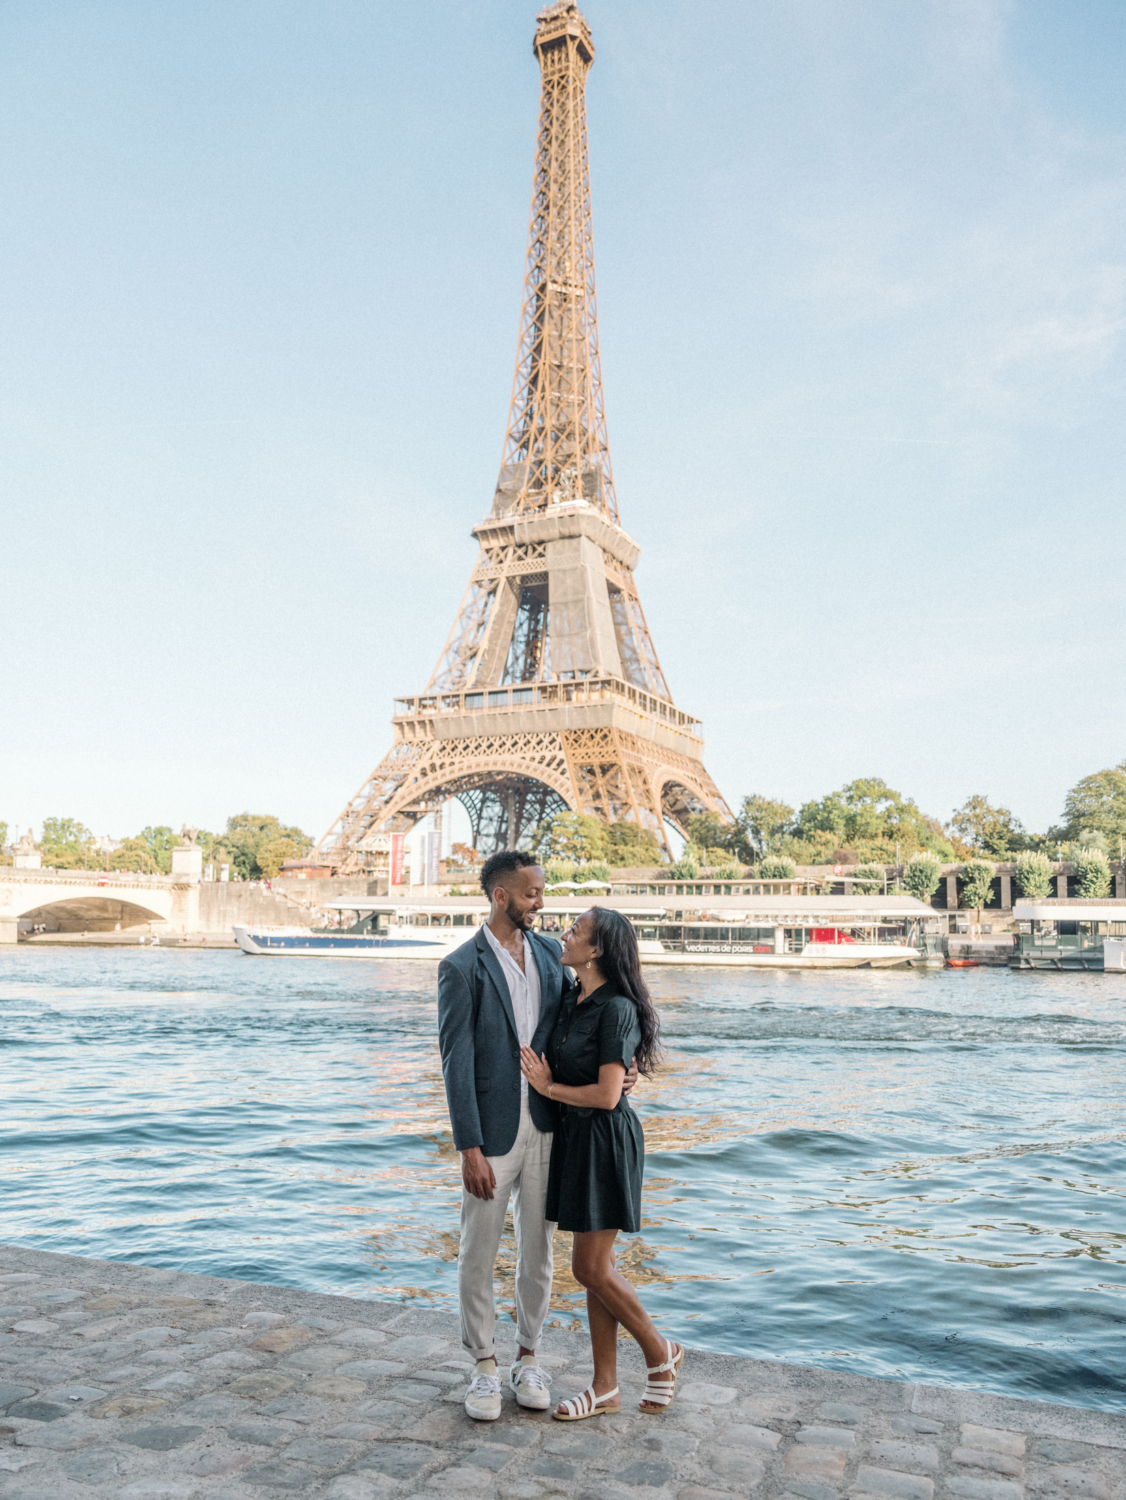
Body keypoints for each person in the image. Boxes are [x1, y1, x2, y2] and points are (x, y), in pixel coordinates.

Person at [520, 906, 683, 1420]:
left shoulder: (617, 1008)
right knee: (598, 1271)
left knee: (587, 1267)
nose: (563, 934)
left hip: (605, 1141)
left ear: (596, 951)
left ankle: (660, 1353)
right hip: (576, 1140)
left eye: (575, 931)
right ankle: (605, 1388)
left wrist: (548, 1088)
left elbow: (610, 1095)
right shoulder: (574, 995)